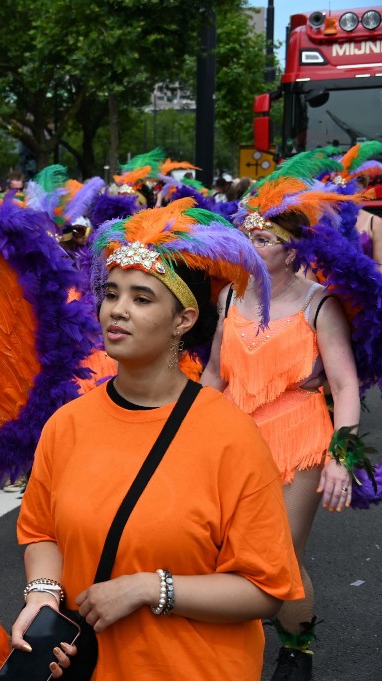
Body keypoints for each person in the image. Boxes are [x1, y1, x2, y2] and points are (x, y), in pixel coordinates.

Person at [14, 199, 303, 680]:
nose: (117, 311)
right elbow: (42, 532)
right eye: (112, 294)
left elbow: (266, 588)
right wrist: (43, 595)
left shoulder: (231, 436)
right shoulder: (66, 424)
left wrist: (151, 588)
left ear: (184, 320)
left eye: (142, 299)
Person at [203, 175, 361, 681]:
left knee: (278, 553)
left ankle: (296, 651)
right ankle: (234, 645)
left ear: (293, 254)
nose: (252, 245)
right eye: (249, 235)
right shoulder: (229, 297)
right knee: (225, 547)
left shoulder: (319, 304)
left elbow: (345, 384)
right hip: (233, 439)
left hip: (299, 438)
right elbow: (212, 374)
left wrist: (342, 455)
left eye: (265, 239)